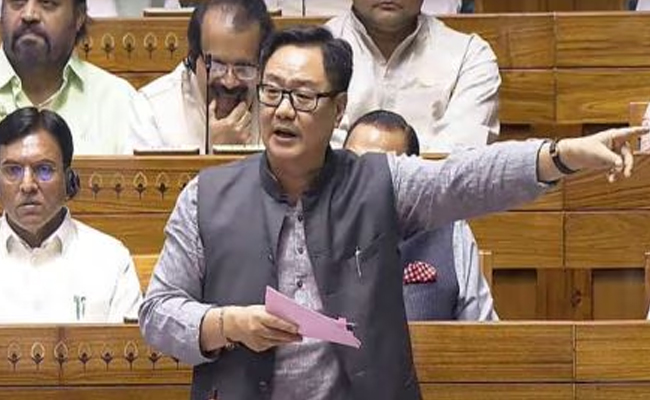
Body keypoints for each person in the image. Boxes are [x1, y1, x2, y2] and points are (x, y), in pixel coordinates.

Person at [139, 26, 645, 400]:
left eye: (304, 96)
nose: (284, 109)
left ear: (339, 110)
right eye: (272, 92)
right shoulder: (206, 196)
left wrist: (562, 155)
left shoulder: (382, 182)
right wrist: (225, 323)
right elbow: (157, 312)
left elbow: (467, 179)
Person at [344, 109, 497, 320]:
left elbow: (480, 329)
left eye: (380, 169)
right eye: (352, 165)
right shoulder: (313, 220)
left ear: (412, 178)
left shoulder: (449, 230)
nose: (362, 180)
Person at [0, 107, 142, 323]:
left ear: (68, 178)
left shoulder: (110, 259)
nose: (27, 185)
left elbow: (128, 344)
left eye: (44, 169)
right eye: (13, 170)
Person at [326, 0, 500, 152]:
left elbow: (458, 157)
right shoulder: (316, 51)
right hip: (336, 182)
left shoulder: (469, 56)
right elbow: (317, 152)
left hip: (430, 181)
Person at [0, 0, 147, 154]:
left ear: (79, 16)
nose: (29, 15)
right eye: (17, 1)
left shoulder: (118, 101)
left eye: (47, 3)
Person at [133, 0, 273, 153]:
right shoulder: (152, 110)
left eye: (243, 68)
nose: (229, 82)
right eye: (217, 65)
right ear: (194, 60)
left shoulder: (278, 106)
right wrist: (216, 154)